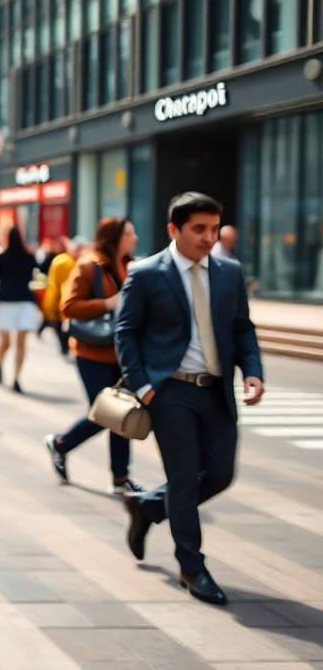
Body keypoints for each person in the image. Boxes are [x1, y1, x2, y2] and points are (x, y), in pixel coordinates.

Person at [115, 193, 264, 606]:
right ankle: (192, 567)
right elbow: (125, 332)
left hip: (216, 391)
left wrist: (253, 370)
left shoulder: (229, 272)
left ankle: (147, 506)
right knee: (184, 478)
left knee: (219, 475)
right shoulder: (146, 273)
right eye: (199, 229)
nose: (208, 238)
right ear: (173, 230)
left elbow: (242, 328)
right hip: (170, 392)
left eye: (214, 229)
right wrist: (143, 386)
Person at [45, 218, 143, 495]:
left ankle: (121, 478)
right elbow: (69, 307)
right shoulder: (89, 266)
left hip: (124, 353)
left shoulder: (131, 266)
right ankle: (61, 444)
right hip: (92, 352)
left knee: (122, 413)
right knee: (106, 413)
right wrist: (107, 304)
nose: (134, 238)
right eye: (129, 233)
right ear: (113, 237)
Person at [0, 226, 39, 393]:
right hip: (25, 301)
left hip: (6, 301)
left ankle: (0, 365)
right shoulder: (29, 256)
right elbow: (35, 272)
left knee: (5, 342)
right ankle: (16, 377)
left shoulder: (1, 257)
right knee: (20, 342)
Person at [40, 235, 76, 356]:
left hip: (61, 295)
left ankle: (63, 346)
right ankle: (63, 346)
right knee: (56, 323)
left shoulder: (65, 260)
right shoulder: (61, 260)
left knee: (56, 322)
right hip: (60, 295)